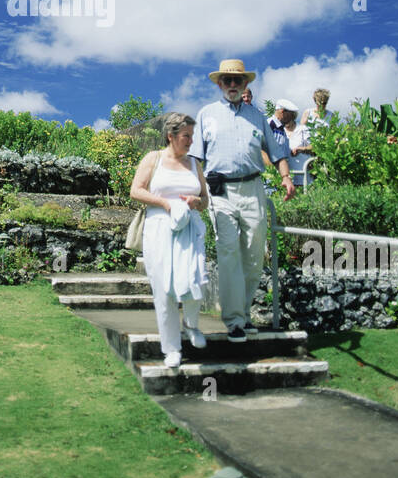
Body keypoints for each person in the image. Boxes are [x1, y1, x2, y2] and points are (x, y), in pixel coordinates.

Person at [191, 59, 295, 342]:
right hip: (219, 192)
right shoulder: (206, 115)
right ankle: (234, 320)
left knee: (252, 256)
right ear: (219, 84)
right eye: (228, 80)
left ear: (246, 84)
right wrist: (199, 189)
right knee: (228, 253)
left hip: (253, 190)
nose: (233, 85)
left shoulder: (257, 116)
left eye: (238, 81)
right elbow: (195, 158)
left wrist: (286, 178)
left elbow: (277, 152)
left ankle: (244, 314)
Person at [130, 112, 210, 369]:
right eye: (186, 136)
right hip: (160, 228)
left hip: (190, 229)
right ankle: (172, 348)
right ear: (171, 136)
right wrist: (166, 203)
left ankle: (192, 324)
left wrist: (198, 202)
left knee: (194, 278)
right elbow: (136, 191)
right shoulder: (153, 159)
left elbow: (205, 200)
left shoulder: (195, 164)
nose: (190, 141)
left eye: (192, 136)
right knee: (164, 289)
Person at [272, 99, 314, 187]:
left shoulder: (303, 129)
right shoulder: (279, 130)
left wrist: (301, 149)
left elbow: (313, 147)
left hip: (304, 177)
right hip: (287, 178)